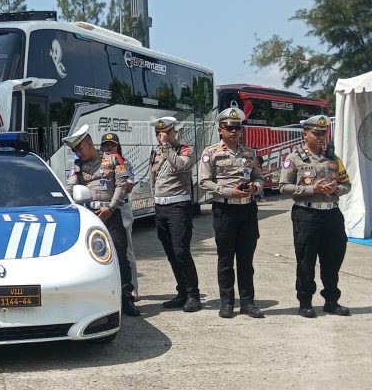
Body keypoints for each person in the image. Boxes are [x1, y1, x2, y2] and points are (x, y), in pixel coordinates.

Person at [279, 115, 352, 318]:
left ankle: (331, 301)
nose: (321, 137)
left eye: (323, 133)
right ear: (305, 134)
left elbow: (347, 184)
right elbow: (283, 187)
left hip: (331, 213)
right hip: (307, 213)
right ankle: (305, 301)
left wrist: (336, 189)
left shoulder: (333, 158)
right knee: (306, 259)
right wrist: (312, 188)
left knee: (333, 259)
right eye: (316, 133)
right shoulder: (293, 158)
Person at [64, 125, 140, 317]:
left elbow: (122, 184)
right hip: (89, 214)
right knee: (88, 258)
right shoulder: (78, 166)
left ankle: (127, 299)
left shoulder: (113, 159)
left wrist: (111, 207)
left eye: (79, 148)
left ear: (89, 144)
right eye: (74, 150)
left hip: (111, 212)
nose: (77, 153)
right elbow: (70, 189)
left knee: (121, 256)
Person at [199, 108, 265, 319]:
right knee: (225, 259)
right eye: (230, 127)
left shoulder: (250, 153)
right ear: (220, 129)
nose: (235, 131)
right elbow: (203, 182)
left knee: (246, 259)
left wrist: (255, 187)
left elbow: (259, 178)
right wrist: (229, 191)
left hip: (247, 209)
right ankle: (226, 302)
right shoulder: (211, 153)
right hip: (225, 209)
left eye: (238, 127)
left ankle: (248, 302)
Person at [149, 116, 201, 312]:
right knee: (171, 252)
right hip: (161, 207)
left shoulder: (184, 150)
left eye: (165, 133)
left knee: (181, 250)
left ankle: (193, 294)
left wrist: (167, 147)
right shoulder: (155, 153)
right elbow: (153, 177)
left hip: (178, 206)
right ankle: (182, 292)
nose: (161, 137)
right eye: (158, 133)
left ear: (173, 132)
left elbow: (180, 165)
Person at [101, 133, 139, 301]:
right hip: (102, 212)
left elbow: (128, 187)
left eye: (112, 145)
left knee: (127, 252)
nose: (109, 148)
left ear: (118, 146)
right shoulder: (97, 164)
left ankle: (133, 289)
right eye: (106, 145)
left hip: (121, 210)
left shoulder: (123, 162)